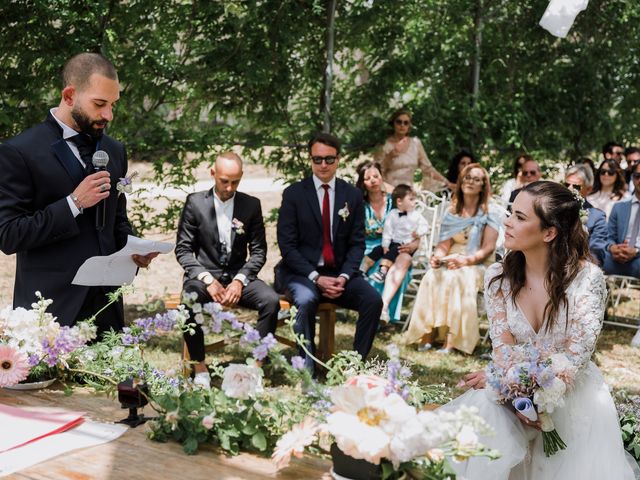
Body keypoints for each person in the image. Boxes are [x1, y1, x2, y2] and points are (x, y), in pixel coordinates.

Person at [443, 181, 638, 479]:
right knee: (485, 406)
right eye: (510, 213)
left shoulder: (587, 280)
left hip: (570, 397)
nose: (507, 221)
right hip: (512, 389)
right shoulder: (498, 276)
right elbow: (503, 347)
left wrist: (522, 388)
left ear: (549, 232)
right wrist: (512, 390)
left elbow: (574, 360)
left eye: (520, 217)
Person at [0, 53, 156, 335]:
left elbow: (116, 219)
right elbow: (9, 235)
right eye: (99, 104)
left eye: (112, 105)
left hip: (105, 309)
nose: (108, 115)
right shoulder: (19, 152)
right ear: (70, 95)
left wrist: (134, 248)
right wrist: (73, 203)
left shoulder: (114, 150)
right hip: (49, 311)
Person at [275, 133, 382, 371]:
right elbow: (288, 247)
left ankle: (356, 365)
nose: (323, 165)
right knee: (305, 299)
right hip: (303, 274)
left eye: (329, 159)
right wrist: (317, 278)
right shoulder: (294, 194)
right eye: (317, 159)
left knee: (373, 300)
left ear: (338, 159)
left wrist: (344, 277)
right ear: (310, 159)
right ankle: (307, 370)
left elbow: (357, 243)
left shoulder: (351, 195)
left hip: (340, 274)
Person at [175, 152, 280, 387]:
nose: (229, 187)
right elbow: (183, 250)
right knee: (188, 299)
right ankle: (200, 367)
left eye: (235, 181)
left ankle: (255, 369)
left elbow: (259, 252)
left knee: (271, 301)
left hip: (238, 275)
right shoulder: (195, 203)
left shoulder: (251, 205)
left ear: (241, 177)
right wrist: (206, 279)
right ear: (213, 174)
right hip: (204, 275)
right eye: (224, 181)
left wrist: (240, 280)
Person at [403, 163, 500, 354]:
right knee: (433, 275)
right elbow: (443, 245)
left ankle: (452, 340)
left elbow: (488, 248)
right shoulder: (452, 211)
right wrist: (437, 257)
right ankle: (427, 332)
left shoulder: (491, 212)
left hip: (478, 262)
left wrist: (466, 261)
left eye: (476, 179)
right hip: (452, 258)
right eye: (467, 177)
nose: (470, 182)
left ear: (483, 185)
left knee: (458, 277)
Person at [355, 161, 416, 325]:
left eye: (376, 176)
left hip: (393, 248)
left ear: (382, 178)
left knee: (399, 264)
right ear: (362, 182)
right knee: (376, 272)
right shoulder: (359, 205)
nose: (373, 180)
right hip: (367, 250)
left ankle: (381, 311)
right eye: (368, 178)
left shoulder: (395, 202)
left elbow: (414, 229)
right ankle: (375, 315)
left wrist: (413, 246)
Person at [360, 184, 428, 299]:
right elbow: (388, 230)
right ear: (399, 202)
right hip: (393, 242)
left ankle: (382, 272)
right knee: (378, 250)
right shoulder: (392, 214)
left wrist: (419, 232)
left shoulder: (416, 215)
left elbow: (425, 226)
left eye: (414, 199)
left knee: (392, 253)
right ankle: (362, 269)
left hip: (405, 245)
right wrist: (385, 244)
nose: (414, 202)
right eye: (411, 199)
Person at [375, 109, 453, 191]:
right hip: (390, 190)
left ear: (409, 126)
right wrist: (391, 156)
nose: (402, 125)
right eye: (399, 122)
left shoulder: (415, 143)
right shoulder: (384, 145)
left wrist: (447, 183)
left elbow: (427, 168)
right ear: (393, 123)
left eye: (406, 123)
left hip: (408, 192)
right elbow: (377, 170)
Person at [564, 164, 608, 266]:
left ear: (589, 189)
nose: (569, 190)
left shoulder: (597, 217)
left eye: (576, 186)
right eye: (566, 185)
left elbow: (597, 255)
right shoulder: (553, 211)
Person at [603, 160, 640, 278]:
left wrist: (636, 251)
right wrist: (612, 247)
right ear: (633, 178)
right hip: (617, 256)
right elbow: (608, 236)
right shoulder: (619, 206)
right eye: (638, 176)